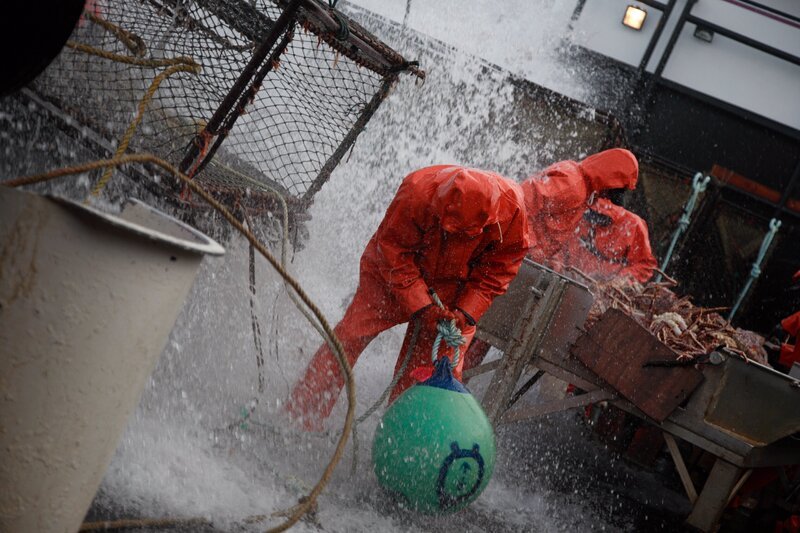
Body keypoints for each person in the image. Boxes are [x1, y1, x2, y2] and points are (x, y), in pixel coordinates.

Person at [285, 165, 531, 430]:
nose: (452, 236)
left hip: (454, 294)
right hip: (389, 276)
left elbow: (500, 268)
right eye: (447, 227)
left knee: (429, 373)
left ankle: (400, 444)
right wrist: (422, 305)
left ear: (488, 220)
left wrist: (466, 310)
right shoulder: (416, 190)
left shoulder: (513, 209)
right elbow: (392, 251)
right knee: (349, 337)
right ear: (440, 201)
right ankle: (299, 418)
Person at [463, 148, 640, 373]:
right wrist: (529, 249)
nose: (613, 195)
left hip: (518, 263)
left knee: (485, 331)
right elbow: (520, 205)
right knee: (476, 327)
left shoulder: (579, 186)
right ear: (610, 177)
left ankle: (455, 382)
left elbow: (550, 228)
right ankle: (446, 382)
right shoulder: (572, 184)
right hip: (508, 261)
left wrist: (552, 259)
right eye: (617, 188)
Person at [551, 195, 657, 283]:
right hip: (569, 283)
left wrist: (618, 281)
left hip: (608, 294)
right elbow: (560, 247)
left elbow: (645, 266)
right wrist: (556, 263)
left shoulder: (633, 225)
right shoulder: (580, 216)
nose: (596, 223)